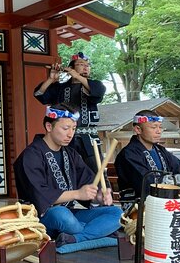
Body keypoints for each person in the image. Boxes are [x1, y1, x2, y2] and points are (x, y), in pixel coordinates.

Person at [14, 104, 122, 247]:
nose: (70, 134)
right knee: (61, 214)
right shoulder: (31, 155)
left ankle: (75, 239)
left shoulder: (71, 154)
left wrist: (98, 196)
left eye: (73, 128)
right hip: (40, 217)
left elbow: (88, 182)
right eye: (65, 128)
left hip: (71, 213)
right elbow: (40, 195)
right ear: (49, 126)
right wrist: (77, 194)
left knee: (117, 213)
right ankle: (97, 233)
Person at [115, 110, 180, 226]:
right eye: (153, 127)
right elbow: (147, 184)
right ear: (138, 130)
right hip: (142, 208)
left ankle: (179, 226)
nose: (158, 131)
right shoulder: (128, 154)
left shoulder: (161, 151)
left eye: (160, 127)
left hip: (170, 206)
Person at [34, 52, 106, 173]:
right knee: (67, 170)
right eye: (81, 64)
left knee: (96, 173)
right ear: (71, 68)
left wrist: (78, 77)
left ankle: (101, 192)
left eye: (88, 65)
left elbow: (97, 93)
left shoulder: (96, 85)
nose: (86, 67)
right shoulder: (61, 88)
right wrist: (51, 79)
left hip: (89, 139)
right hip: (65, 138)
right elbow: (40, 95)